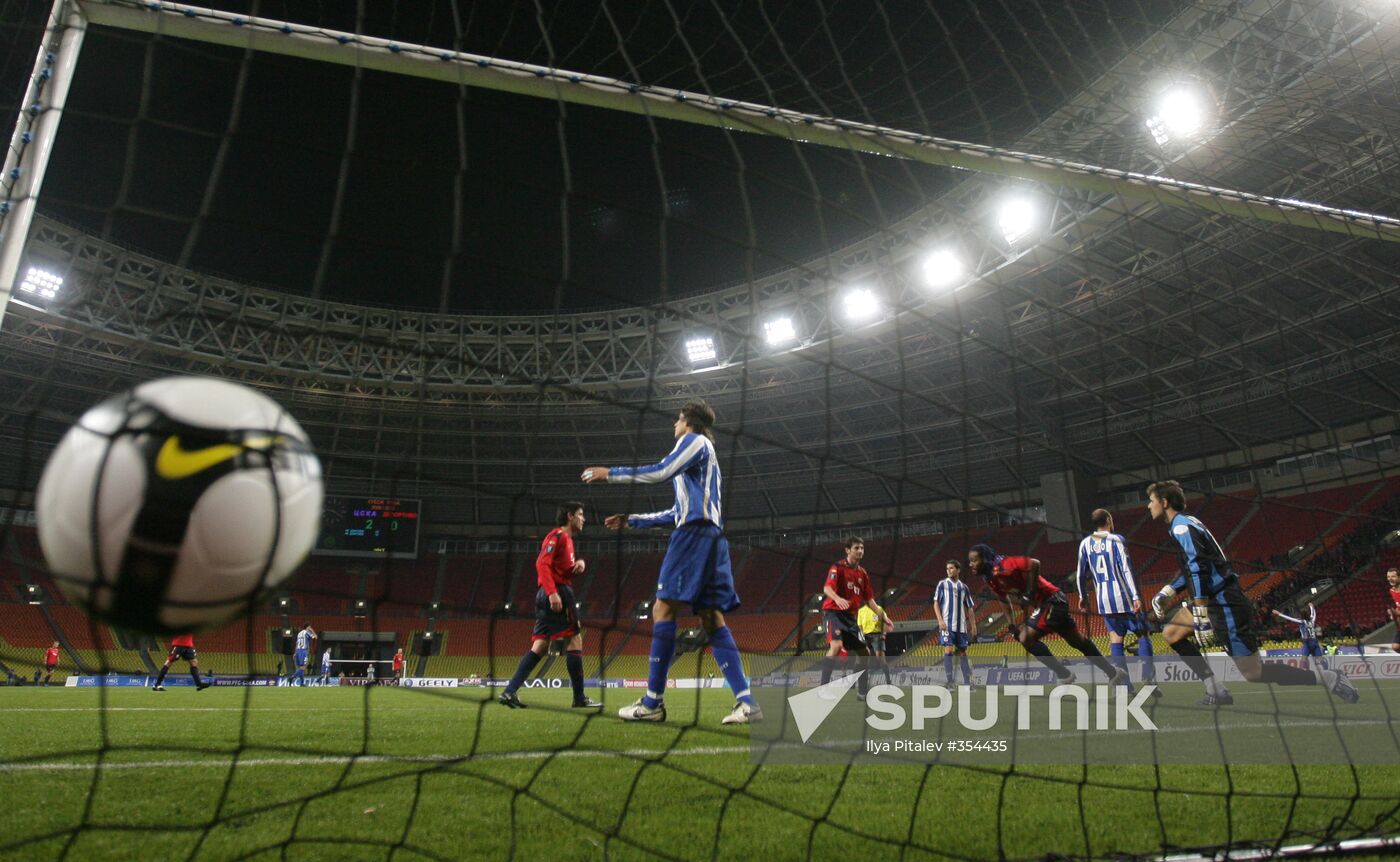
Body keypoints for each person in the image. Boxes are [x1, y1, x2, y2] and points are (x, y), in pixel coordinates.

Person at [582, 400, 761, 725]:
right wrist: (634, 520)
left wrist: (611, 474)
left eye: (678, 420)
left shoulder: (694, 441)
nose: (674, 425)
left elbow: (660, 471)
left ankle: (653, 702)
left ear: (688, 422)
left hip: (693, 536)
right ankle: (748, 703)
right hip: (711, 537)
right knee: (712, 618)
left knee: (662, 609)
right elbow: (677, 512)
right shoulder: (700, 458)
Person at [1145, 480, 1356, 705]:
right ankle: (1216, 689)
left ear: (1164, 502)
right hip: (1216, 597)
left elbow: (1198, 566)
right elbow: (1195, 567)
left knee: (1253, 673)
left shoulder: (1181, 527)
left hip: (1224, 602)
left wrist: (1201, 610)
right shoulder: (1185, 523)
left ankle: (1328, 678)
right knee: (1171, 633)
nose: (1149, 505)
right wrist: (1169, 590)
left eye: (1151, 500)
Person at [969, 543, 1127, 688]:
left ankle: (1064, 674)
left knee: (1026, 637)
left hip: (1052, 601)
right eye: (970, 561)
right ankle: (1113, 673)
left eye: (974, 560)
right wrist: (1011, 624)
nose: (971, 564)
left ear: (985, 559)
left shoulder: (1006, 564)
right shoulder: (990, 578)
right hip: (1048, 604)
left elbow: (1034, 563)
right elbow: (1002, 598)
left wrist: (1029, 592)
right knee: (1077, 641)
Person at [498, 501, 602, 710]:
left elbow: (560, 569)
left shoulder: (568, 541)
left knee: (540, 645)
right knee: (575, 640)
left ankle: (509, 692)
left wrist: (578, 565)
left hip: (549, 592)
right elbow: (541, 562)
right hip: (557, 592)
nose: (584, 519)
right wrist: (553, 592)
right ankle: (579, 697)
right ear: (570, 516)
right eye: (581, 514)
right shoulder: (558, 535)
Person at [1076, 509, 1156, 689]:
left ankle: (1125, 685)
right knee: (1142, 634)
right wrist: (1135, 596)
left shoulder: (1085, 544)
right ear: (1108, 520)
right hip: (1124, 596)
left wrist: (1083, 596)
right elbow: (1126, 568)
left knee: (1116, 638)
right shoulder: (1116, 539)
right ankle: (1148, 678)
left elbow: (1080, 574)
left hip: (1104, 601)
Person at [819, 537, 894, 699]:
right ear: (847, 550)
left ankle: (862, 692)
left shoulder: (862, 573)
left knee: (864, 652)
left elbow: (870, 600)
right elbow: (827, 588)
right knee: (836, 646)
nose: (860, 551)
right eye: (856, 548)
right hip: (833, 613)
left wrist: (883, 617)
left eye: (862, 548)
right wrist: (837, 598)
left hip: (850, 617)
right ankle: (823, 688)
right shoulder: (838, 567)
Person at [933, 560, 977, 686]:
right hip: (947, 625)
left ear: (958, 570)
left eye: (951, 568)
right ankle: (950, 682)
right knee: (948, 650)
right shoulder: (942, 584)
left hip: (961, 626)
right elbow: (936, 603)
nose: (948, 570)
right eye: (947, 568)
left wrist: (973, 626)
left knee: (963, 652)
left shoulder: (964, 587)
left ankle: (967, 683)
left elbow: (969, 608)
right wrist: (940, 620)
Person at [856, 595, 895, 687]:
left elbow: (886, 622)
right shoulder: (861, 611)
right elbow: (860, 626)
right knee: (862, 659)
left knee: (880, 658)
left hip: (877, 635)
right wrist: (861, 638)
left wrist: (884, 634)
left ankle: (888, 680)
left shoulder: (879, 609)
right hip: (865, 636)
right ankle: (863, 682)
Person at [1272, 603, 1324, 669]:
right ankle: (1326, 670)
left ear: (1301, 616)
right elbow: (1313, 614)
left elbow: (1290, 618)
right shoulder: (1312, 620)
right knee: (1320, 659)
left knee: (1303, 659)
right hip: (1314, 642)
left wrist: (1279, 614)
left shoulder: (1301, 621)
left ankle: (1303, 672)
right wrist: (1312, 607)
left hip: (1307, 643)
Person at [1385, 567, 1400, 654]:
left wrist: (1395, 612)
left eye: (1393, 576)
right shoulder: (1392, 590)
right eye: (1388, 577)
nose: (1390, 579)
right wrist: (1392, 613)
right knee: (1395, 646)